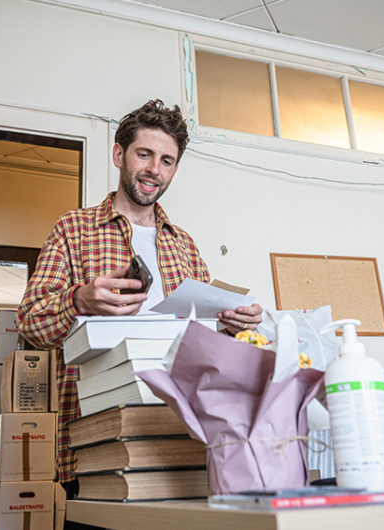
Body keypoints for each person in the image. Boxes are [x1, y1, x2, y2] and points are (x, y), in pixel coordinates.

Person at [17, 98, 263, 491]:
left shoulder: (184, 245)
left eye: (166, 161)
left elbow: (207, 343)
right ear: (119, 155)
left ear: (175, 169)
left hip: (182, 434)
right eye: (144, 154)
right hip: (99, 440)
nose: (154, 170)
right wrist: (78, 300)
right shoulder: (73, 229)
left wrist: (234, 326)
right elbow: (31, 322)